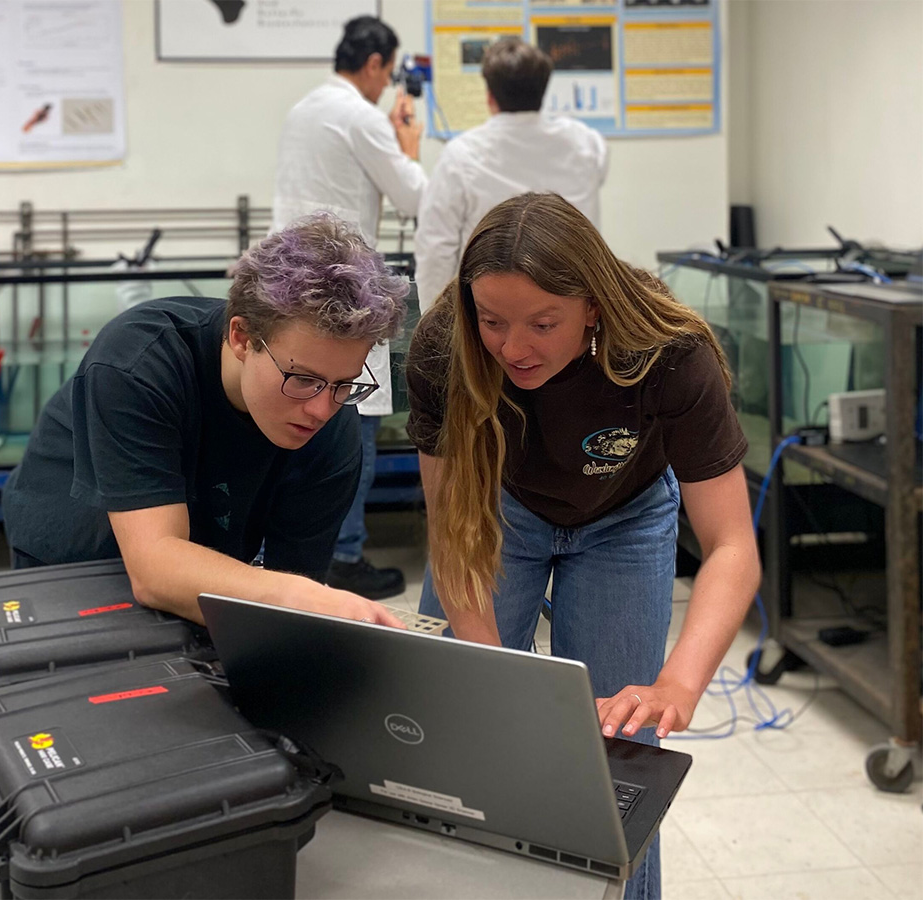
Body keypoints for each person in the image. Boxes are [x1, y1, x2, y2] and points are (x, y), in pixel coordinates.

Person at [406, 193, 761, 900]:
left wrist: (678, 684)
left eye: (543, 323)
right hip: (496, 508)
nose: (512, 348)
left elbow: (730, 545)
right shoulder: (445, 349)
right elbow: (452, 535)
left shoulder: (667, 350)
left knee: (618, 755)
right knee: (461, 717)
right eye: (493, 322)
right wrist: (494, 673)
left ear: (593, 307)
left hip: (624, 517)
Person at [2, 214, 408, 628]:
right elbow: (156, 568)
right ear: (241, 338)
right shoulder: (139, 363)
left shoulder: (333, 425)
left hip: (199, 566)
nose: (322, 409)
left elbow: (290, 609)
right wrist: (292, 594)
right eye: (302, 379)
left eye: (344, 383)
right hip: (74, 562)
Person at [272, 14, 426, 599]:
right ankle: (344, 554)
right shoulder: (361, 116)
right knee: (352, 423)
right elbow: (416, 197)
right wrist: (407, 144)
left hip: (288, 290)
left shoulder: (305, 108)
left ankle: (297, 553)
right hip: (343, 290)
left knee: (294, 418)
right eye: (386, 74)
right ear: (374, 65)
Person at [413, 37, 608, 313]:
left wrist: (435, 328)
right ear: (543, 91)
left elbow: (435, 249)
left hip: (492, 315)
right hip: (571, 312)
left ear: (490, 95)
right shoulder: (586, 144)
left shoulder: (461, 156)